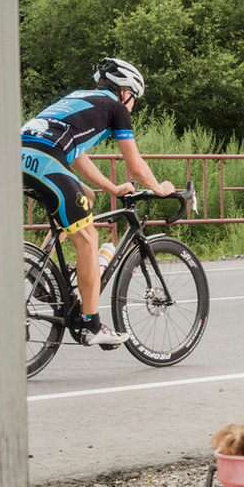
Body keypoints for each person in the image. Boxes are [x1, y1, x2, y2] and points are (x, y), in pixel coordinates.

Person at [20, 58, 179, 349]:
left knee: (88, 197)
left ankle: (39, 267)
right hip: (45, 160)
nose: (132, 106)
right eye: (135, 99)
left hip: (19, 157)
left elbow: (76, 154)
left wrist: (111, 188)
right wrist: (160, 188)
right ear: (126, 92)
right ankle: (91, 326)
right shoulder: (117, 108)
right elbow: (135, 164)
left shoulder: (77, 98)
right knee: (88, 238)